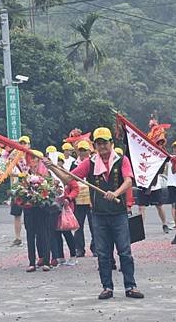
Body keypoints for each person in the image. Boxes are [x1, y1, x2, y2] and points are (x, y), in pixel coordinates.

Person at [54, 127, 144, 300]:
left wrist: (116, 193)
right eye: (98, 143)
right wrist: (52, 167)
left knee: (124, 251)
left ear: (111, 143)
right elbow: (68, 178)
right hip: (99, 215)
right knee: (103, 253)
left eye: (105, 142)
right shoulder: (90, 163)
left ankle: (130, 286)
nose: (102, 146)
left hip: (118, 214)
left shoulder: (121, 160)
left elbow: (128, 181)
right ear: (94, 145)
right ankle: (107, 287)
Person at [23, 150, 52, 272]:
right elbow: (20, 191)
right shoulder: (24, 175)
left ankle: (46, 261)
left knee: (44, 234)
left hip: (42, 209)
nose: (33, 161)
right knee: (30, 235)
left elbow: (51, 190)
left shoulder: (45, 174)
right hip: (29, 209)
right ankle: (31, 262)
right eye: (30, 159)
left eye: (35, 159)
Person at [136, 138, 170, 234]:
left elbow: (163, 167)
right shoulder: (142, 153)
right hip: (142, 183)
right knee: (141, 207)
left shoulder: (161, 156)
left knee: (159, 205)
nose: (159, 145)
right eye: (158, 143)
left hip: (155, 185)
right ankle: (140, 228)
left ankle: (164, 224)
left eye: (161, 144)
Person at [50, 153, 79, 267]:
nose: (58, 164)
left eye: (60, 161)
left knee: (67, 232)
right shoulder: (49, 175)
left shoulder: (66, 175)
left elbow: (75, 188)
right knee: (56, 233)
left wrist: (69, 198)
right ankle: (60, 256)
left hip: (65, 208)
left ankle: (73, 256)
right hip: (53, 207)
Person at [73, 140, 94, 257]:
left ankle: (95, 247)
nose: (82, 153)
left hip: (91, 198)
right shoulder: (74, 164)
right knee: (78, 225)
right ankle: (79, 249)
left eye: (84, 150)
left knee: (94, 224)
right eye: (80, 150)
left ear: (89, 151)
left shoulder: (94, 162)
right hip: (78, 198)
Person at [10, 135, 31, 247]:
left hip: (30, 188)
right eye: (21, 143)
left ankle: (31, 234)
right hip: (17, 188)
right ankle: (17, 237)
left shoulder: (32, 156)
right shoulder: (14, 156)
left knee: (29, 213)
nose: (23, 145)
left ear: (29, 145)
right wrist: (19, 174)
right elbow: (8, 171)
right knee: (17, 214)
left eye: (25, 143)